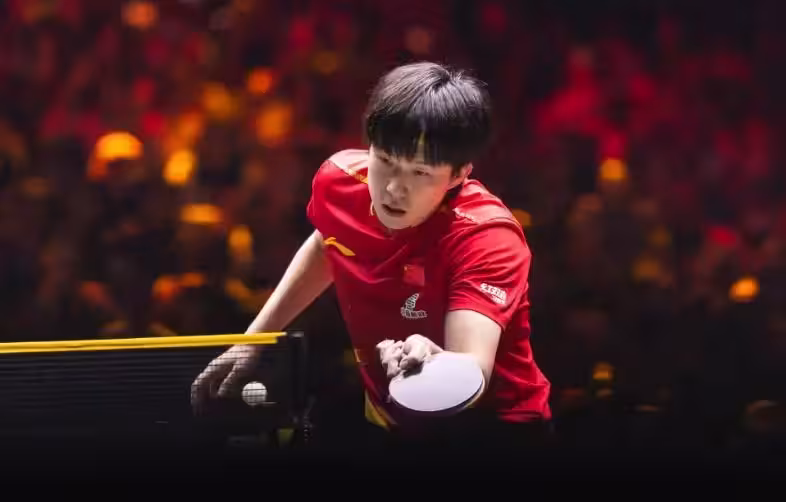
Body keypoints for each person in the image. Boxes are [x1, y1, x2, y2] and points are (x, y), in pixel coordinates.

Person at [191, 61, 552, 458]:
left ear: (458, 175)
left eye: (420, 172)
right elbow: (328, 243)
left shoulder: (486, 237)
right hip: (389, 419)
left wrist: (440, 364)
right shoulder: (340, 181)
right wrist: (255, 339)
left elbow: (471, 367)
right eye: (386, 161)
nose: (395, 189)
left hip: (492, 433)